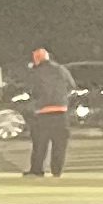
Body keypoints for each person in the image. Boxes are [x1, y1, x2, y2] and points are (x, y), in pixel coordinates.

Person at [21, 46, 76, 180]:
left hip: (43, 112)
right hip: (61, 111)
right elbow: (72, 86)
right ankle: (56, 171)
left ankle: (37, 170)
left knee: (40, 144)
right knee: (59, 144)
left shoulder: (35, 72)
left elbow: (31, 90)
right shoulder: (61, 69)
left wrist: (33, 103)